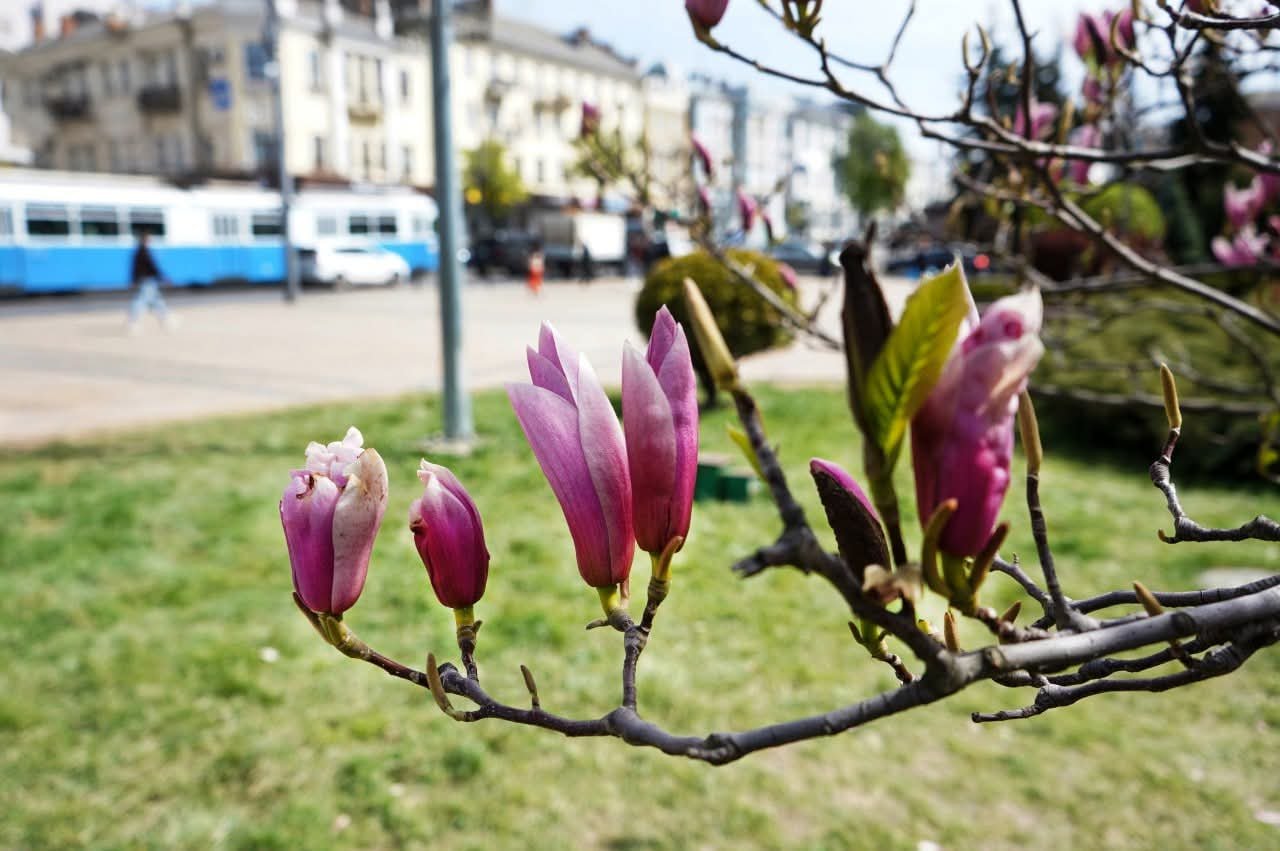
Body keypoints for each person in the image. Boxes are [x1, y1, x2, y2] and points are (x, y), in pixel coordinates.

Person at [127, 231, 174, 332]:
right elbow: (152, 267)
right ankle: (133, 322)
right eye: (149, 239)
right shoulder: (144, 252)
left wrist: (133, 280)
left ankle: (165, 319)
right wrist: (163, 277)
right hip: (146, 280)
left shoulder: (140, 251)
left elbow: (135, 268)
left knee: (157, 301)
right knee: (142, 301)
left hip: (147, 280)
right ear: (145, 240)